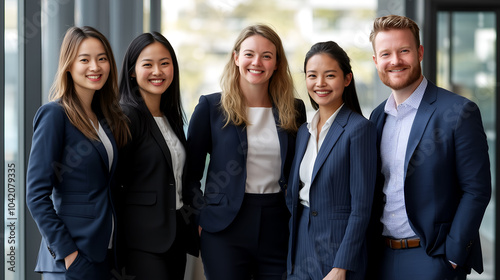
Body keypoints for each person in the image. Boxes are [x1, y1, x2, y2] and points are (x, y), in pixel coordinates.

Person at [367, 15, 491, 280]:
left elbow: (477, 190)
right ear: (376, 61)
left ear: (420, 52)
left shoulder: (459, 112)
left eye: (404, 51)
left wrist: (453, 256)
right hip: (381, 259)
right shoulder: (377, 117)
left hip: (432, 258)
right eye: (385, 53)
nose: (395, 61)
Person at [186, 24, 306, 280]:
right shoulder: (211, 107)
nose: (257, 62)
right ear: (236, 57)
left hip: (278, 223)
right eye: (249, 54)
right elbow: (190, 175)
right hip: (224, 227)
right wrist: (200, 218)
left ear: (276, 63)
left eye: (267, 56)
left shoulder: (294, 109)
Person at [26, 26, 129, 280]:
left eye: (102, 58)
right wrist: (68, 253)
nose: (95, 67)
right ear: (69, 65)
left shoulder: (105, 118)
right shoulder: (54, 115)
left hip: (105, 255)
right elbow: (36, 195)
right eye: (85, 59)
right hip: (73, 259)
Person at [286, 41, 376, 280]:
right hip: (301, 248)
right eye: (312, 76)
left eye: (330, 75)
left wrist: (341, 266)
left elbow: (362, 208)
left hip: (338, 253)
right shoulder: (304, 131)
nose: (320, 84)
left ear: (347, 79)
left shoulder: (359, 129)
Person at [116, 32, 198, 279]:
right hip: (141, 242)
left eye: (164, 63)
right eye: (147, 64)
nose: (158, 71)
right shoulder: (126, 116)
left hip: (175, 237)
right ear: (132, 71)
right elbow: (113, 180)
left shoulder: (171, 117)